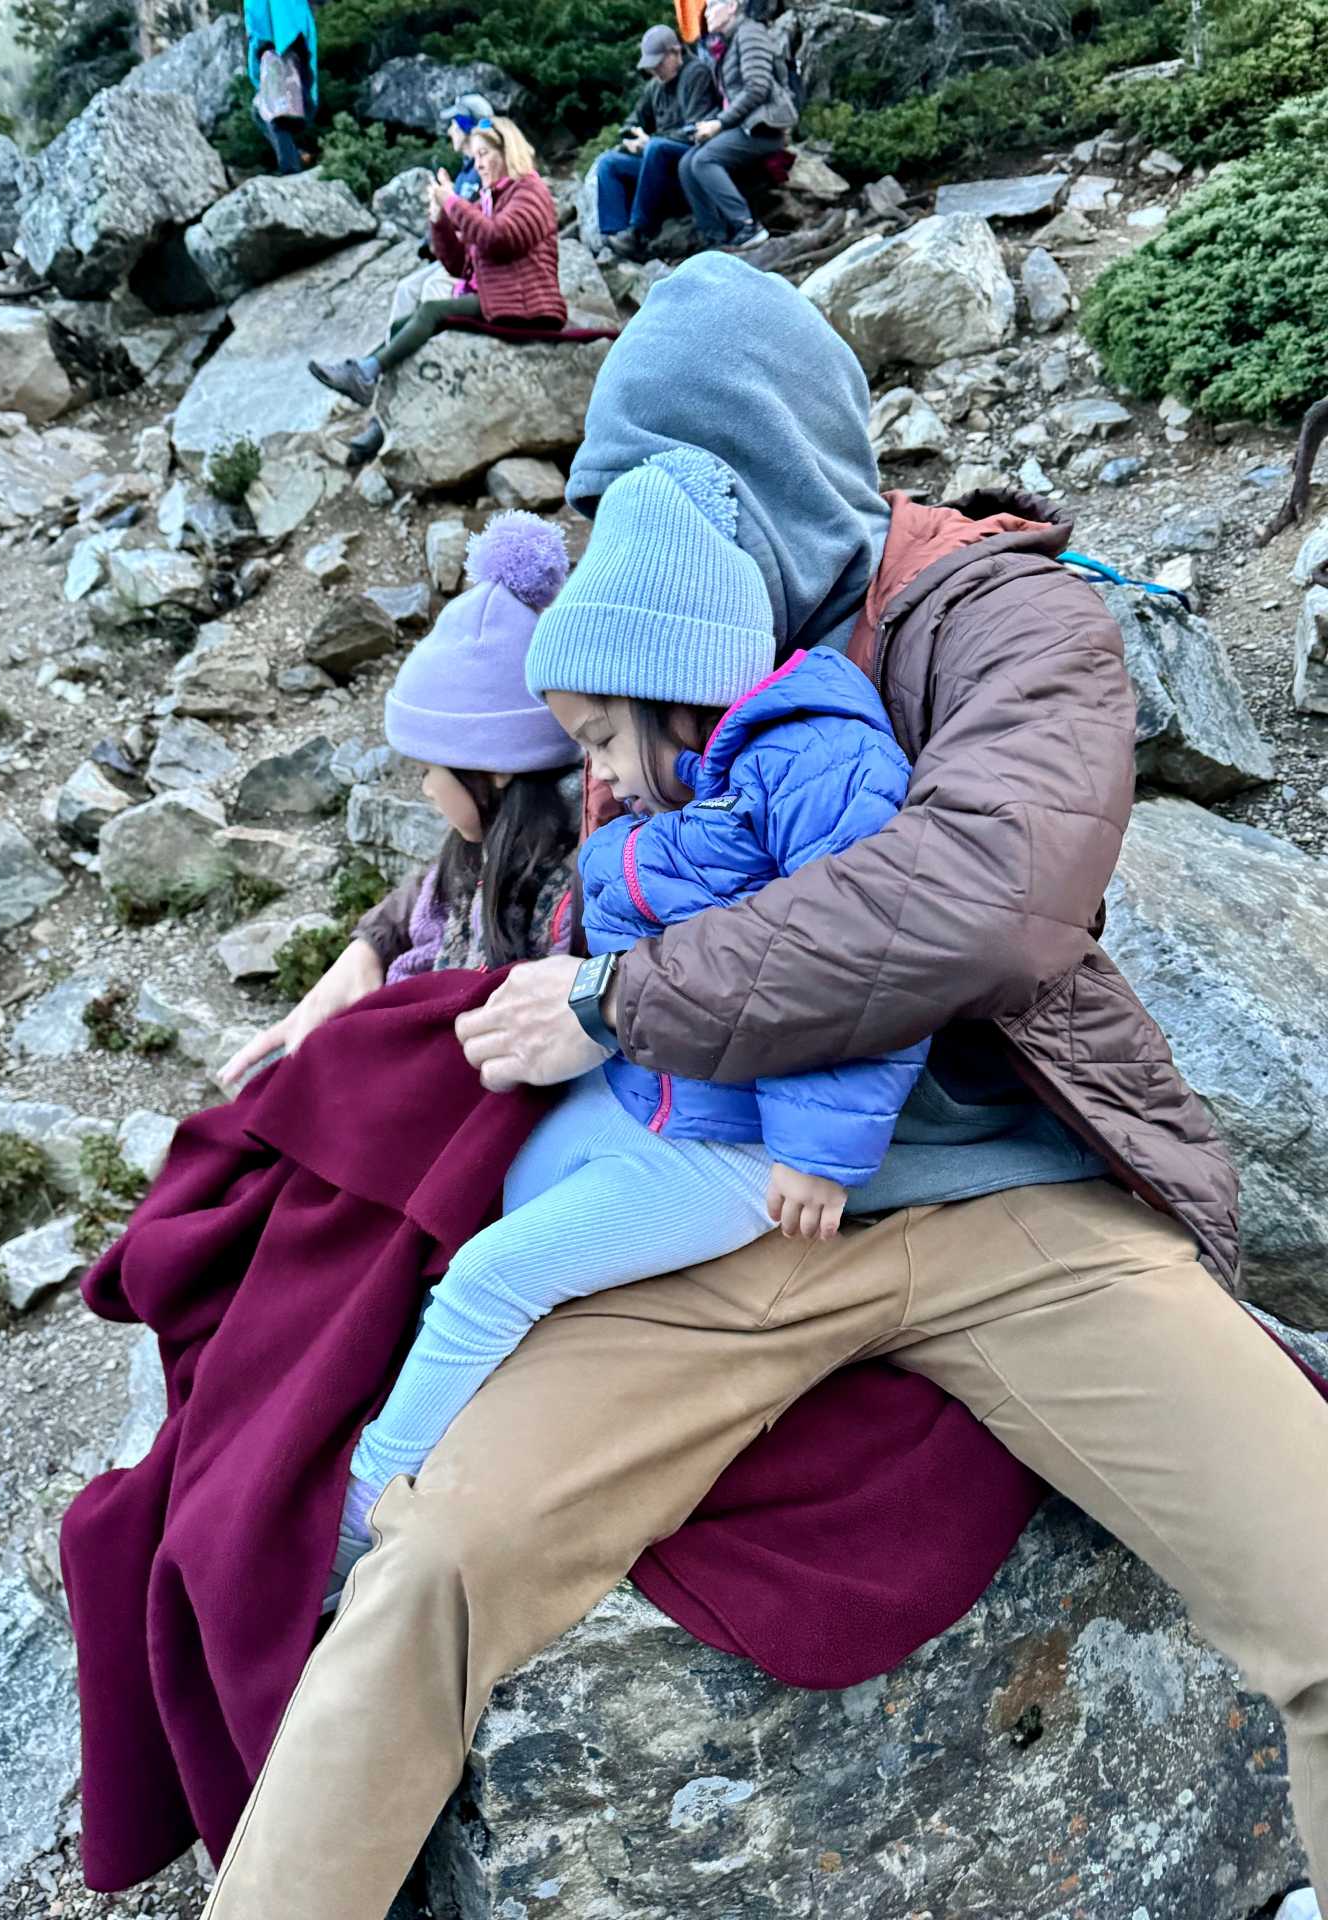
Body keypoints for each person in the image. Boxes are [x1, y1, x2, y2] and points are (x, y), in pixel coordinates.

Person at [201, 255, 1328, 1920]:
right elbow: (509, 819)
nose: (630, 521)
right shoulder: (656, 627)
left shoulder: (1002, 613)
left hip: (1003, 1195)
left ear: (780, 470)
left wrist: (620, 998)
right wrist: (361, 970)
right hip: (714, 1204)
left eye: (662, 485)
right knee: (430, 1569)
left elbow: (983, 900)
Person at [331, 446, 928, 1599]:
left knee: (494, 1274)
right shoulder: (708, 771)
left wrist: (817, 1150)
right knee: (495, 1197)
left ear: (673, 681)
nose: (598, 771)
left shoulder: (819, 762)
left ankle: (364, 1509)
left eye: (601, 737)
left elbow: (868, 957)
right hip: (659, 1095)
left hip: (739, 1149)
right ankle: (465, 1393)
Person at [219, 512, 580, 1097]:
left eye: (427, 770)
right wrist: (371, 944)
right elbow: (425, 889)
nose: (423, 789)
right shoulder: (489, 851)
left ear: (494, 767)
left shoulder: (579, 890)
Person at [307, 117, 565, 407]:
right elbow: (459, 265)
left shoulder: (529, 191)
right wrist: (439, 218)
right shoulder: (490, 200)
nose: (478, 164)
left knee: (431, 310)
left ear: (507, 153)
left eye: (485, 155)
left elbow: (498, 239)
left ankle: (365, 374)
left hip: (526, 302)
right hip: (500, 298)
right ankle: (378, 406)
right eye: (475, 156)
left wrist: (454, 203)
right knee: (400, 327)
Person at [593, 25, 718, 262]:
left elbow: (696, 129)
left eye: (659, 63)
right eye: (652, 66)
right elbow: (632, 121)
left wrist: (651, 141)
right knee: (608, 162)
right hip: (657, 166)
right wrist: (631, 138)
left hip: (686, 168)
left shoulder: (696, 74)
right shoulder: (655, 87)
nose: (655, 70)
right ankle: (612, 236)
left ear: (676, 53)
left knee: (656, 148)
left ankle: (639, 231)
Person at [680, 0, 797, 250]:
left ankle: (747, 226)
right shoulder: (728, 42)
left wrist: (719, 124)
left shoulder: (750, 32)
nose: (705, 13)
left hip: (764, 127)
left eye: (711, 6)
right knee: (687, 163)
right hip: (745, 126)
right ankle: (715, 236)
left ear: (731, 6)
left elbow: (757, 88)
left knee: (704, 160)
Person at [242, 0, 317, 177]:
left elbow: (259, 19)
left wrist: (262, 51)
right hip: (285, 47)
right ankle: (294, 155)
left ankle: (291, 168)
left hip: (278, 50)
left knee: (273, 114)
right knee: (264, 111)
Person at [441, 89, 494, 203]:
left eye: (453, 124)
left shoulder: (486, 171)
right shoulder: (467, 170)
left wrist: (449, 197)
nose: (450, 131)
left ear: (465, 126)